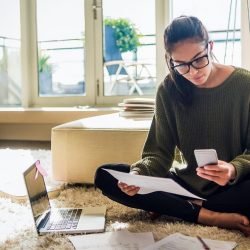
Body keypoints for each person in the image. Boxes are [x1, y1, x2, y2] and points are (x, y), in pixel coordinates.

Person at [94, 15, 250, 236]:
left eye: (199, 59)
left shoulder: (244, 84)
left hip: (231, 187)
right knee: (106, 175)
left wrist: (234, 169)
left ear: (210, 47)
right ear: (170, 60)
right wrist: (139, 174)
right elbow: (158, 154)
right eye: (181, 65)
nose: (193, 71)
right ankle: (207, 215)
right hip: (184, 184)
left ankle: (180, 206)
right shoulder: (168, 90)